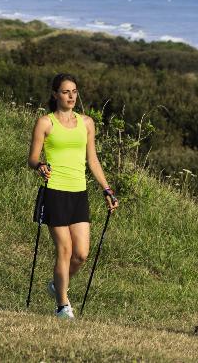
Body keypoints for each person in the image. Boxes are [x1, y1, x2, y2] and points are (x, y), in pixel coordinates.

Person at [27, 73, 119, 319]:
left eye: (74, 92)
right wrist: (39, 167)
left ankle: (58, 284)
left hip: (79, 192)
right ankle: (62, 306)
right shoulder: (45, 123)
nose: (71, 96)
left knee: (81, 254)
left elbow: (93, 159)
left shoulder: (87, 123)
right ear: (55, 94)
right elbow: (32, 158)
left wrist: (106, 189)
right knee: (65, 250)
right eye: (66, 92)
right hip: (55, 191)